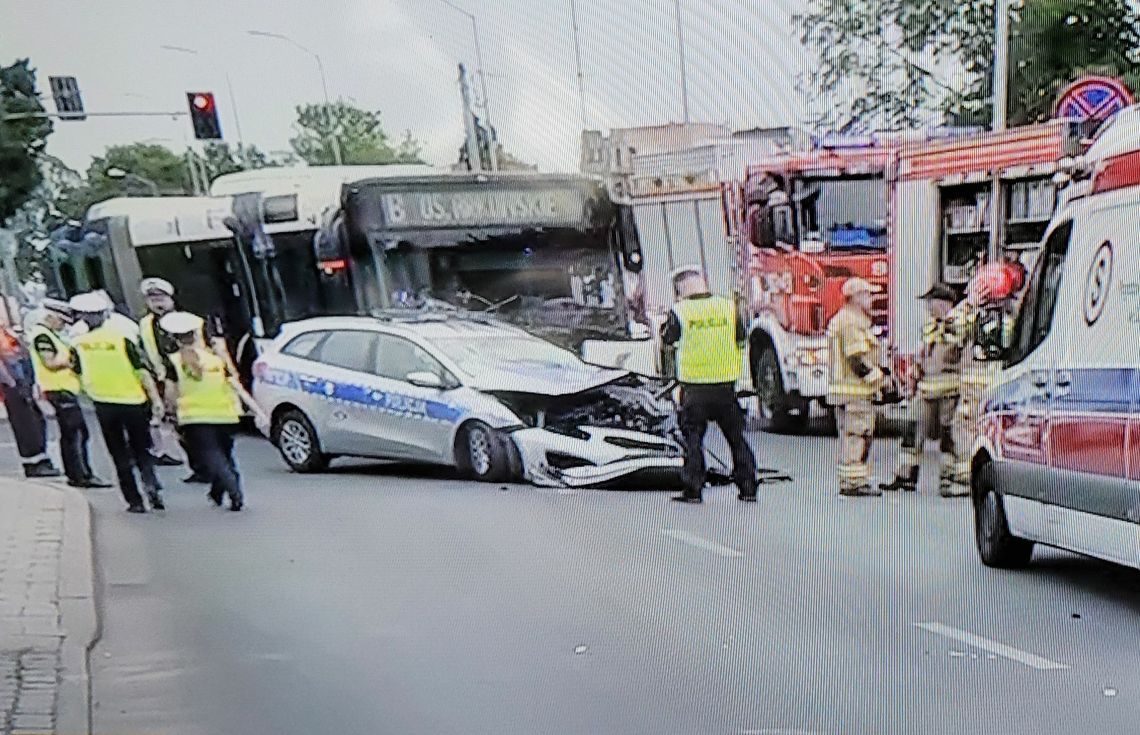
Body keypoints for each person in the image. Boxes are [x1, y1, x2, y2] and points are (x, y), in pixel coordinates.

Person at [661, 265, 757, 504]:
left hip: (694, 388)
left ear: (679, 290)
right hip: (726, 386)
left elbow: (667, 340)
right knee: (736, 438)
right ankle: (748, 486)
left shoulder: (680, 311)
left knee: (693, 440)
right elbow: (741, 338)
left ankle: (693, 489)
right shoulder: (727, 307)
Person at [159, 312, 268, 511]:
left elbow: (170, 393)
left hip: (195, 418)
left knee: (212, 456)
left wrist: (170, 414)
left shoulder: (174, 362)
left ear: (174, 339)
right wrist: (257, 411)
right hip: (225, 415)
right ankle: (218, 492)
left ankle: (233, 489)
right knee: (226, 455)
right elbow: (236, 386)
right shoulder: (215, 360)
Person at [69, 292, 166, 513]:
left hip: (103, 404)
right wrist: (155, 399)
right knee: (142, 447)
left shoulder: (78, 344)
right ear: (104, 315)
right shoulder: (122, 338)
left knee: (118, 452)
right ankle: (151, 483)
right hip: (134, 401)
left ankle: (134, 501)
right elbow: (142, 370)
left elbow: (76, 372)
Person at [137, 277, 234, 480]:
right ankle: (199, 467)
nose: (157, 302)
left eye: (161, 297)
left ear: (171, 299)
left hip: (198, 378)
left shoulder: (192, 321)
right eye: (152, 298)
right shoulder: (145, 325)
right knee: (180, 428)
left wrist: (228, 373)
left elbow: (215, 347)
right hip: (166, 377)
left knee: (204, 427)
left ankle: (213, 467)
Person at [881, 284, 962, 495]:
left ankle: (948, 479)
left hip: (949, 391)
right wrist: (913, 377)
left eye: (930, 302)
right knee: (912, 431)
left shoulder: (958, 325)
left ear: (944, 303)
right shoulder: (929, 326)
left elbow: (962, 356)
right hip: (925, 390)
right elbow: (923, 354)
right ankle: (905, 476)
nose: (927, 307)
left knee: (949, 436)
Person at [28, 299, 109, 489]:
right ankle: (81, 475)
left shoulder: (48, 335)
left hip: (63, 390)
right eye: (61, 321)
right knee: (76, 434)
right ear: (52, 317)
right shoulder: (43, 337)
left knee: (74, 434)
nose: (63, 325)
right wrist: (71, 360)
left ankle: (78, 474)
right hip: (59, 390)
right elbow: (50, 362)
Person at [825, 278, 887, 497]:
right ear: (855, 297)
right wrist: (878, 379)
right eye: (868, 295)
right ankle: (854, 483)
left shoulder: (849, 319)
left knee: (855, 435)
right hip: (855, 392)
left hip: (848, 392)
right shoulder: (851, 322)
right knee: (857, 435)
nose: (871, 299)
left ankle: (853, 480)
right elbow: (856, 358)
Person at [0, 324, 61, 478]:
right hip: (14, 383)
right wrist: (12, 383)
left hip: (21, 381)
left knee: (35, 421)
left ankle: (40, 459)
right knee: (27, 425)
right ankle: (34, 464)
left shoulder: (6, 331)